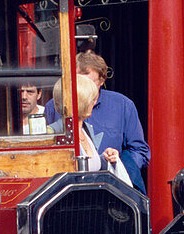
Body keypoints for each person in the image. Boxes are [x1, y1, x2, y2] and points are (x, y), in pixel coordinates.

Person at [44, 51, 150, 191]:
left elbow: (140, 151)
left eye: (88, 83)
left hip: (114, 190)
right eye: (77, 82)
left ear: (102, 81)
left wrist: (118, 163)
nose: (82, 89)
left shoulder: (123, 105)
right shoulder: (54, 105)